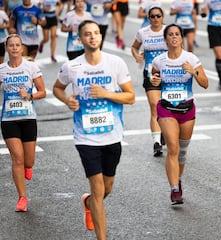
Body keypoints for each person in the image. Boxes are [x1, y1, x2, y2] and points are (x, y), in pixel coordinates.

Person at [53, 20, 135, 239]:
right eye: (87, 34)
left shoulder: (115, 63)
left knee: (107, 188)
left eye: (96, 33)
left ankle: (88, 202)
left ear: (101, 37)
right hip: (86, 138)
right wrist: (66, 100)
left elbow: (131, 97)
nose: (92, 37)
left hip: (112, 135)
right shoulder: (72, 66)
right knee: (98, 190)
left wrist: (106, 93)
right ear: (80, 39)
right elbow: (57, 88)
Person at [150, 24, 208, 205]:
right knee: (173, 148)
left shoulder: (191, 58)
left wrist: (194, 72)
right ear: (165, 39)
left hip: (187, 109)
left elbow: (205, 83)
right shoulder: (159, 61)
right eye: (170, 35)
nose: (174, 37)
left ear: (181, 38)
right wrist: (154, 80)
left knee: (182, 152)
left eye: (177, 34)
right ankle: (174, 189)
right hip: (166, 108)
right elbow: (154, 78)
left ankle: (178, 179)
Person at [0, 34, 46, 211]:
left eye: (17, 45)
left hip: (28, 119)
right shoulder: (2, 70)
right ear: (6, 48)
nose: (14, 48)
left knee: (28, 161)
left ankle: (28, 167)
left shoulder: (31, 67)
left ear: (22, 48)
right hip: (9, 120)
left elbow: (42, 91)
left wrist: (30, 95)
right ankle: (22, 197)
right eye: (11, 45)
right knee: (17, 159)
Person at [131, 6, 167, 157]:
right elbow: (134, 47)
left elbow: (179, 48)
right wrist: (137, 56)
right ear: (148, 18)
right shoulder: (143, 32)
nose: (156, 19)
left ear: (162, 17)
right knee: (154, 106)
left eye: (158, 16)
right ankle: (157, 142)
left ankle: (165, 130)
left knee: (168, 107)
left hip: (170, 74)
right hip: (150, 74)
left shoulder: (169, 30)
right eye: (152, 16)